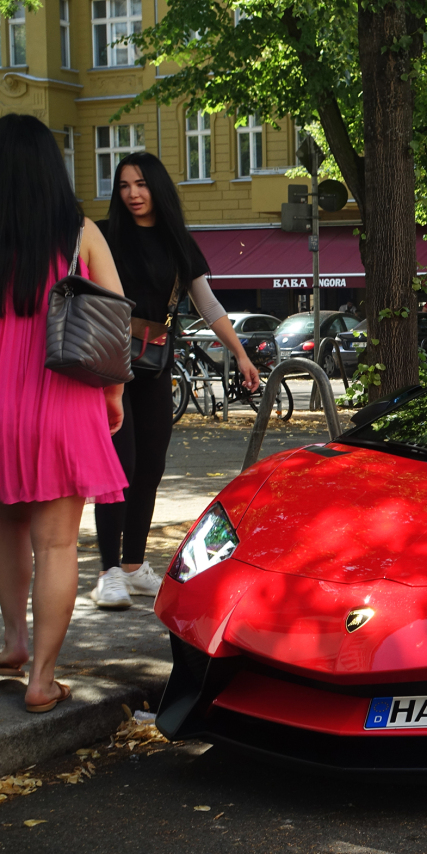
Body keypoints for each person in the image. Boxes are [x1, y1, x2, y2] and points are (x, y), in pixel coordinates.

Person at [91, 153, 261, 612]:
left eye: (141, 184)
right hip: (111, 363)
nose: (132, 194)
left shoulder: (178, 243)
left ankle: (132, 566)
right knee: (118, 469)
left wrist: (241, 353)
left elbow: (208, 305)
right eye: (124, 185)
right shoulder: (104, 236)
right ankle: (107, 573)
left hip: (155, 363)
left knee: (150, 465)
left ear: (158, 188)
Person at [0, 114, 130, 712]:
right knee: (56, 546)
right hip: (62, 403)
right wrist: (114, 395)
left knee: (7, 531)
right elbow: (114, 316)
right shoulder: (80, 233)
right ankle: (42, 680)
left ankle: (14, 643)